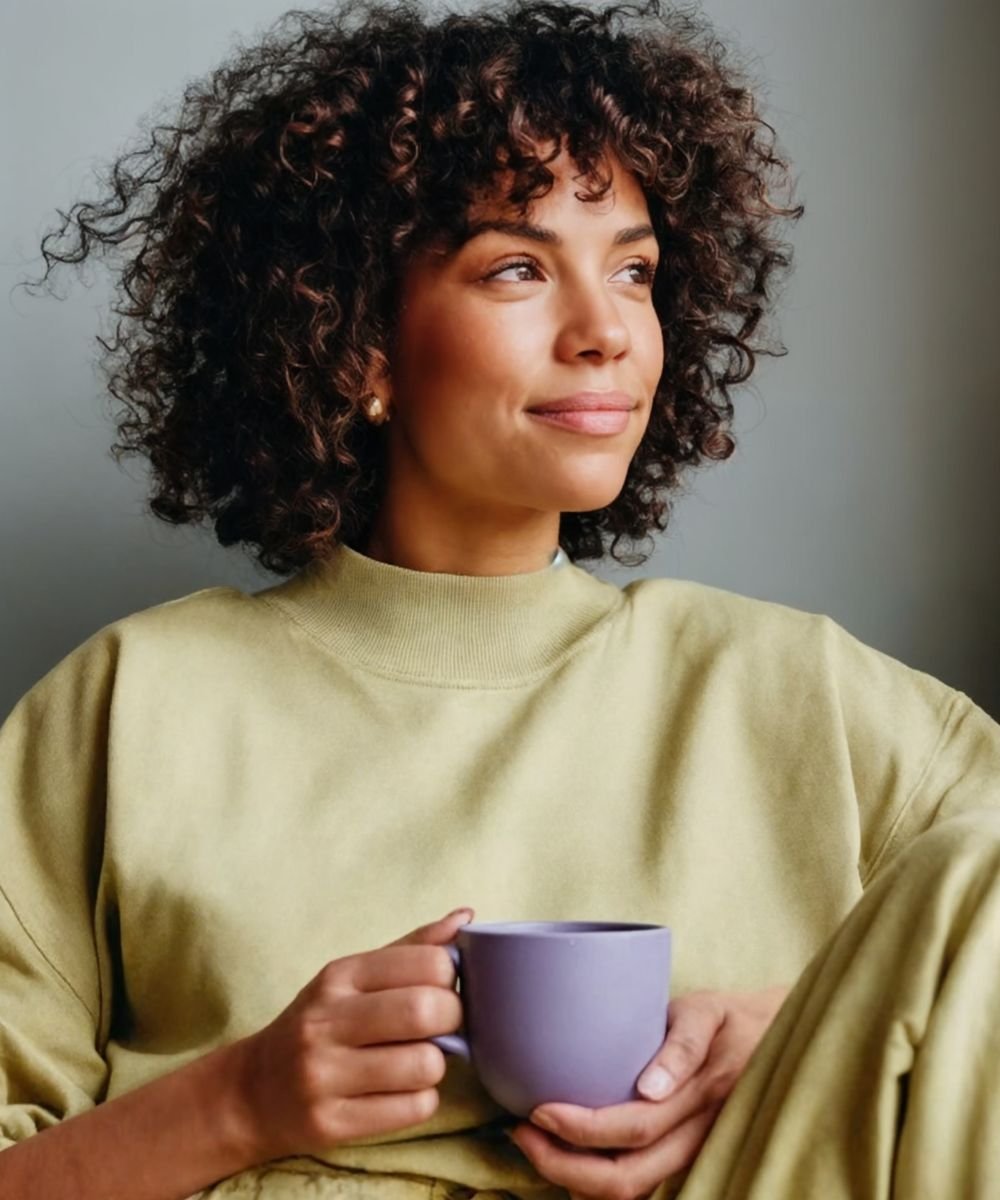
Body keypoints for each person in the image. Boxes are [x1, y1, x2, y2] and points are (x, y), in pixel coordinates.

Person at [3, 0, 999, 1197]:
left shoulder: (803, 694)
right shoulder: (129, 706)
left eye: (633, 271)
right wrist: (240, 1098)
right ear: (358, 336)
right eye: (518, 268)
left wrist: (794, 1030)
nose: (606, 334)